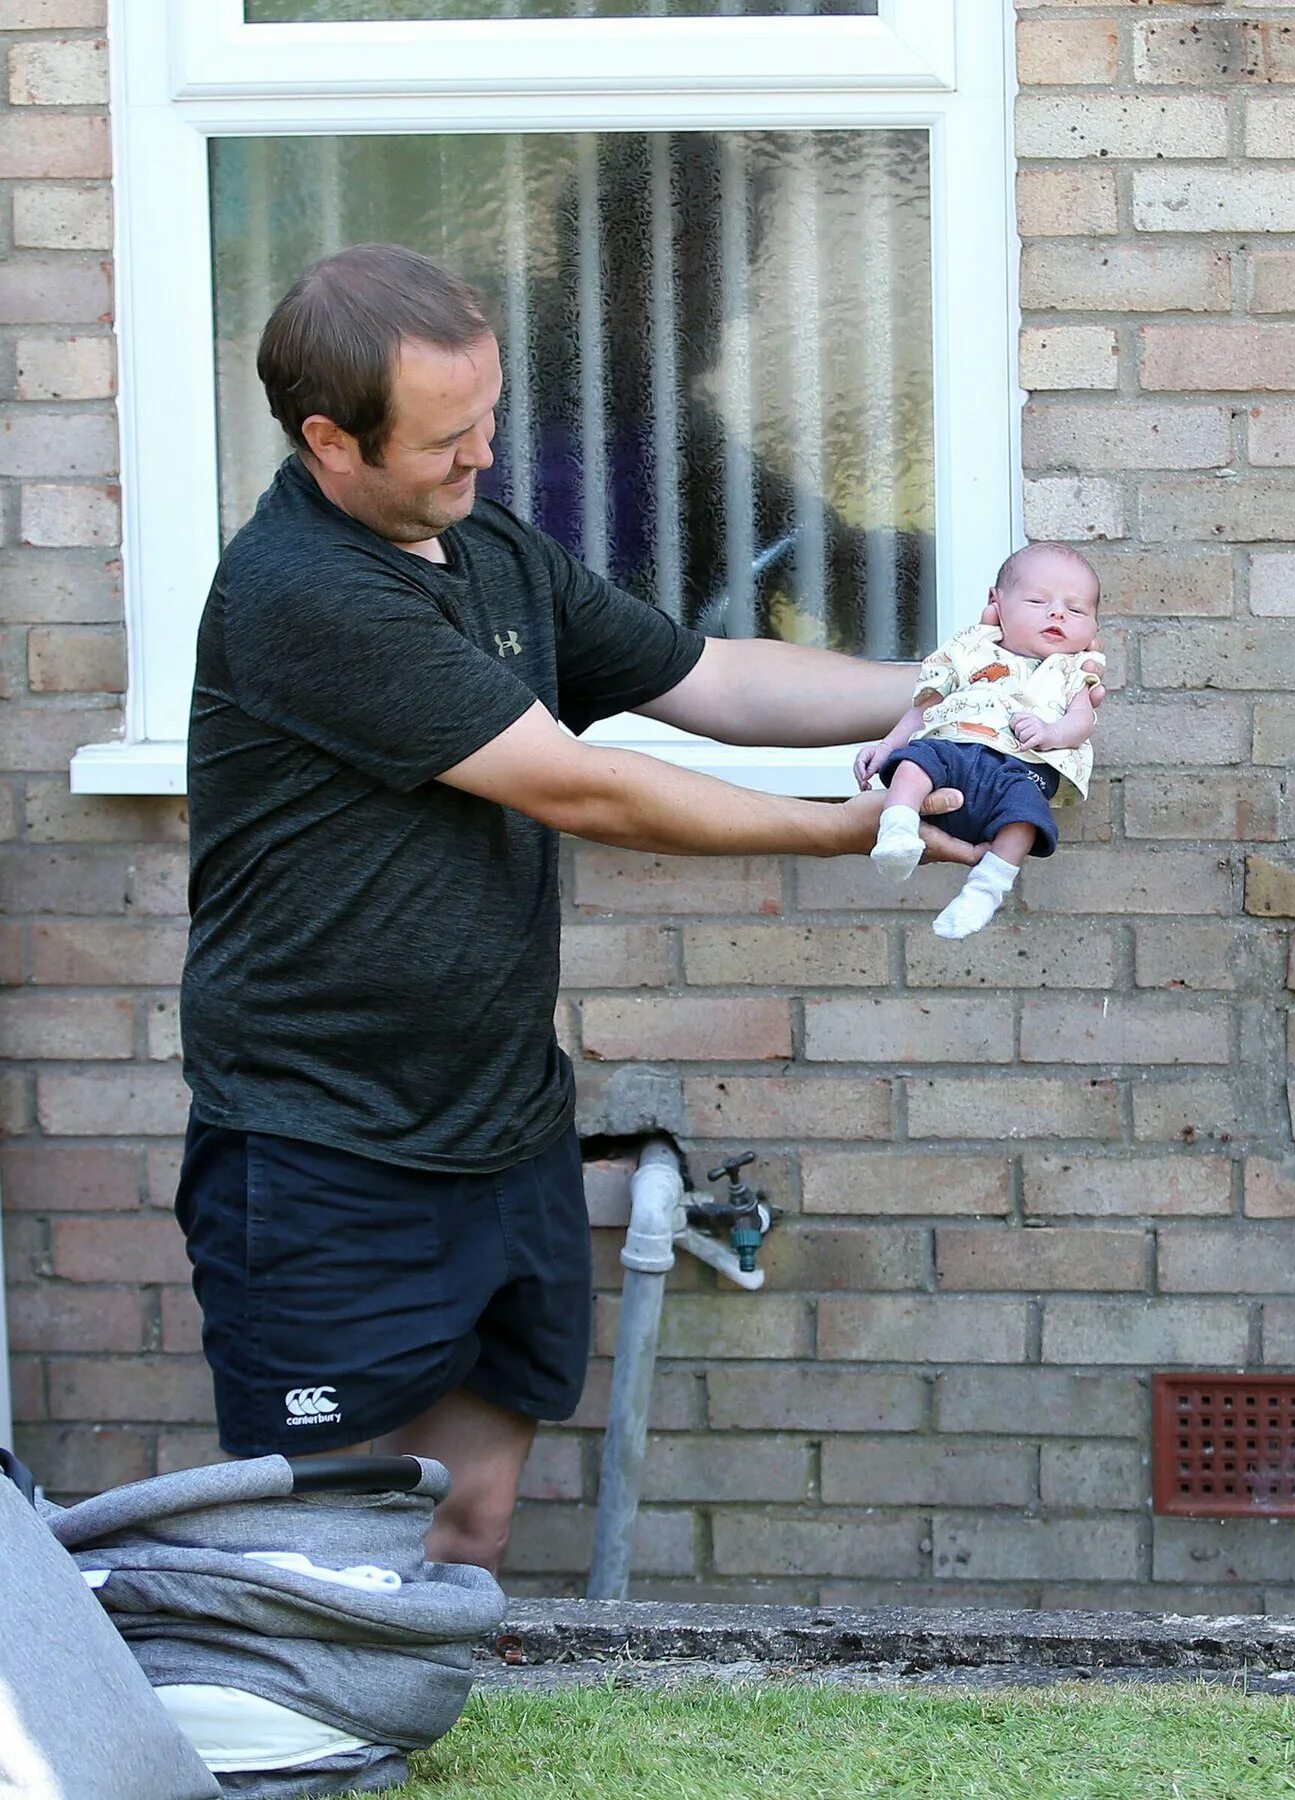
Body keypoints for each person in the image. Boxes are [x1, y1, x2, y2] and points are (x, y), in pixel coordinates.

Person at [176, 243, 982, 1572]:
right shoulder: (304, 593)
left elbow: (712, 678)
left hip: (501, 1125)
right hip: (326, 1150)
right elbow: (583, 788)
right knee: (324, 1548)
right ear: (330, 440)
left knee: (469, 1518)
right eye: (447, 435)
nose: (485, 454)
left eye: (490, 414)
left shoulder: (484, 544)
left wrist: (950, 689)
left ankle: (444, 1758)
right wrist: (840, 832)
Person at [850, 543, 1104, 939]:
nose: (1057, 613)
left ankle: (985, 890)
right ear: (995, 602)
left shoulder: (1073, 671)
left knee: (1026, 818)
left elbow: (1081, 722)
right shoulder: (969, 651)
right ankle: (897, 831)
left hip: (1021, 767)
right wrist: (886, 747)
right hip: (952, 746)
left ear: (1093, 627)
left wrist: (1052, 733)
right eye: (1037, 600)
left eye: (1076, 610)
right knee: (913, 764)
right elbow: (922, 710)